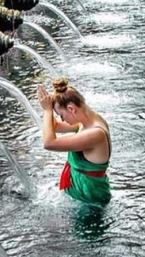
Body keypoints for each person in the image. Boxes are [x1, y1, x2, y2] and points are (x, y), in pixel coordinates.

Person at [37, 77, 111, 205]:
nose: (63, 120)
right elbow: (54, 126)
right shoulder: (86, 122)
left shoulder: (95, 133)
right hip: (83, 193)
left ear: (71, 109)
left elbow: (49, 143)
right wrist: (47, 105)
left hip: (90, 198)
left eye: (61, 115)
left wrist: (48, 110)